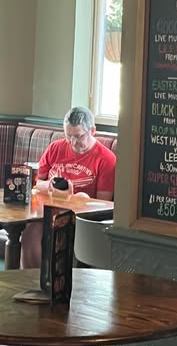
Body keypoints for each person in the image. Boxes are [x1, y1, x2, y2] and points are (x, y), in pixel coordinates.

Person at [20, 106, 116, 268]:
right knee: (31, 232)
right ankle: (30, 279)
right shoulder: (55, 148)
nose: (73, 142)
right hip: (46, 212)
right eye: (68, 136)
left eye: (79, 136)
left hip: (79, 219)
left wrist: (73, 199)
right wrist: (50, 186)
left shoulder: (106, 159)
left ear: (92, 131)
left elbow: (102, 205)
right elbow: (36, 183)